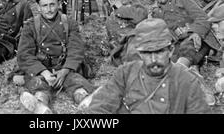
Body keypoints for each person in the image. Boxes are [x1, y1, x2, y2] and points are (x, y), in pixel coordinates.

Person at [83, 18, 211, 114]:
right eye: (147, 53)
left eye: (159, 52)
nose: (154, 60)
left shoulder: (186, 81)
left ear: (171, 50)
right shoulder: (126, 73)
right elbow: (100, 107)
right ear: (139, 53)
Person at [17, 0, 95, 114]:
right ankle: (41, 106)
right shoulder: (30, 26)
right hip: (41, 69)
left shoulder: (69, 23)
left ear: (58, 4)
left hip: (64, 67)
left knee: (76, 82)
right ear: (38, 7)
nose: (49, 9)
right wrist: (44, 73)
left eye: (52, 5)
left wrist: (65, 70)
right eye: (45, 6)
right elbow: (25, 54)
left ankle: (84, 100)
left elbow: (76, 49)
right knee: (38, 85)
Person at [151, 0, 220, 73]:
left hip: (198, 38)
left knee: (188, 46)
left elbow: (203, 18)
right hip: (177, 43)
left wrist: (195, 32)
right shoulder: (156, 11)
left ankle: (181, 69)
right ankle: (189, 67)